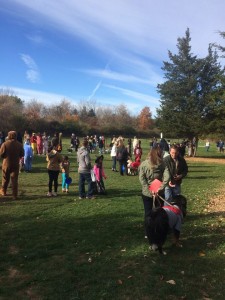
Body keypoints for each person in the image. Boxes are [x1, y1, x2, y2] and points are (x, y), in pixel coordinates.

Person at [139, 146, 169, 234]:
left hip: (147, 193)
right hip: (159, 193)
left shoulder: (144, 164)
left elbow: (142, 179)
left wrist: (148, 190)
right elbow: (167, 176)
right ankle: (159, 230)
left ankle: (148, 232)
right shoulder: (163, 164)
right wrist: (161, 188)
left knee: (148, 213)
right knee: (159, 213)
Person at [0, 131, 24, 200]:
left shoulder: (5, 144)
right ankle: (14, 195)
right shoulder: (19, 144)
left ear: (9, 136)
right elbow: (22, 154)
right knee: (14, 180)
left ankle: (3, 191)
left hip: (6, 164)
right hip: (15, 164)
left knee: (5, 178)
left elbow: (1, 154)